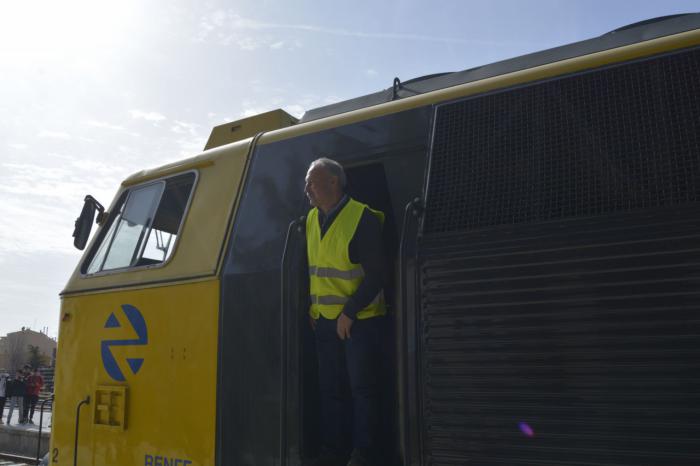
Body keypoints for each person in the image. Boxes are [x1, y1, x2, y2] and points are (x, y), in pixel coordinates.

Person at [304, 158, 386, 466]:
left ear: (334, 182)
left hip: (360, 322)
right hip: (324, 323)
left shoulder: (361, 218)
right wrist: (312, 309)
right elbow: (313, 271)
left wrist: (349, 312)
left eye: (312, 182)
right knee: (331, 391)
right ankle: (333, 451)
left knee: (362, 390)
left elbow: (378, 275)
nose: (307, 189)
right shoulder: (311, 219)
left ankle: (364, 454)